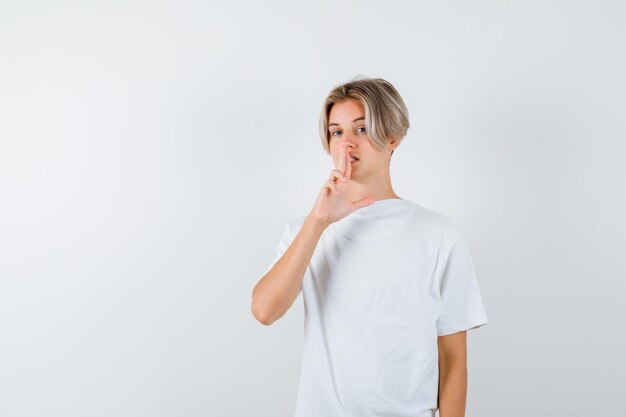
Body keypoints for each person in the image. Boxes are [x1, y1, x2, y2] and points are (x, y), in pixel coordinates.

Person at [251, 76, 488, 417]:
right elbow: (264, 311)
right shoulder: (307, 230)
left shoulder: (437, 234)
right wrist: (318, 222)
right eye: (336, 132)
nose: (346, 143)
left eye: (361, 129)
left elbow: (453, 358)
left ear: (393, 137)